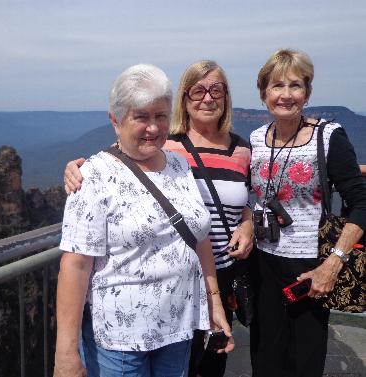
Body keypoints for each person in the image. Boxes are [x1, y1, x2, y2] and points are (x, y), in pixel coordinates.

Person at [64, 60, 253, 377]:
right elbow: (75, 264)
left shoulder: (184, 164)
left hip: (180, 323)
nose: (153, 127)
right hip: (120, 338)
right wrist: (66, 354)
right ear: (116, 120)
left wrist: (214, 303)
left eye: (160, 116)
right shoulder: (99, 174)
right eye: (141, 117)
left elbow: (202, 232)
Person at [249, 48, 366, 377]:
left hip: (311, 265)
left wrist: (333, 264)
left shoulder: (328, 137)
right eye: (277, 86)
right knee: (266, 355)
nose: (286, 95)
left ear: (308, 92)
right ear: (263, 94)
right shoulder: (258, 138)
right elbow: (252, 194)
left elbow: (361, 202)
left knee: (305, 358)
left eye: (295, 86)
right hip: (264, 262)